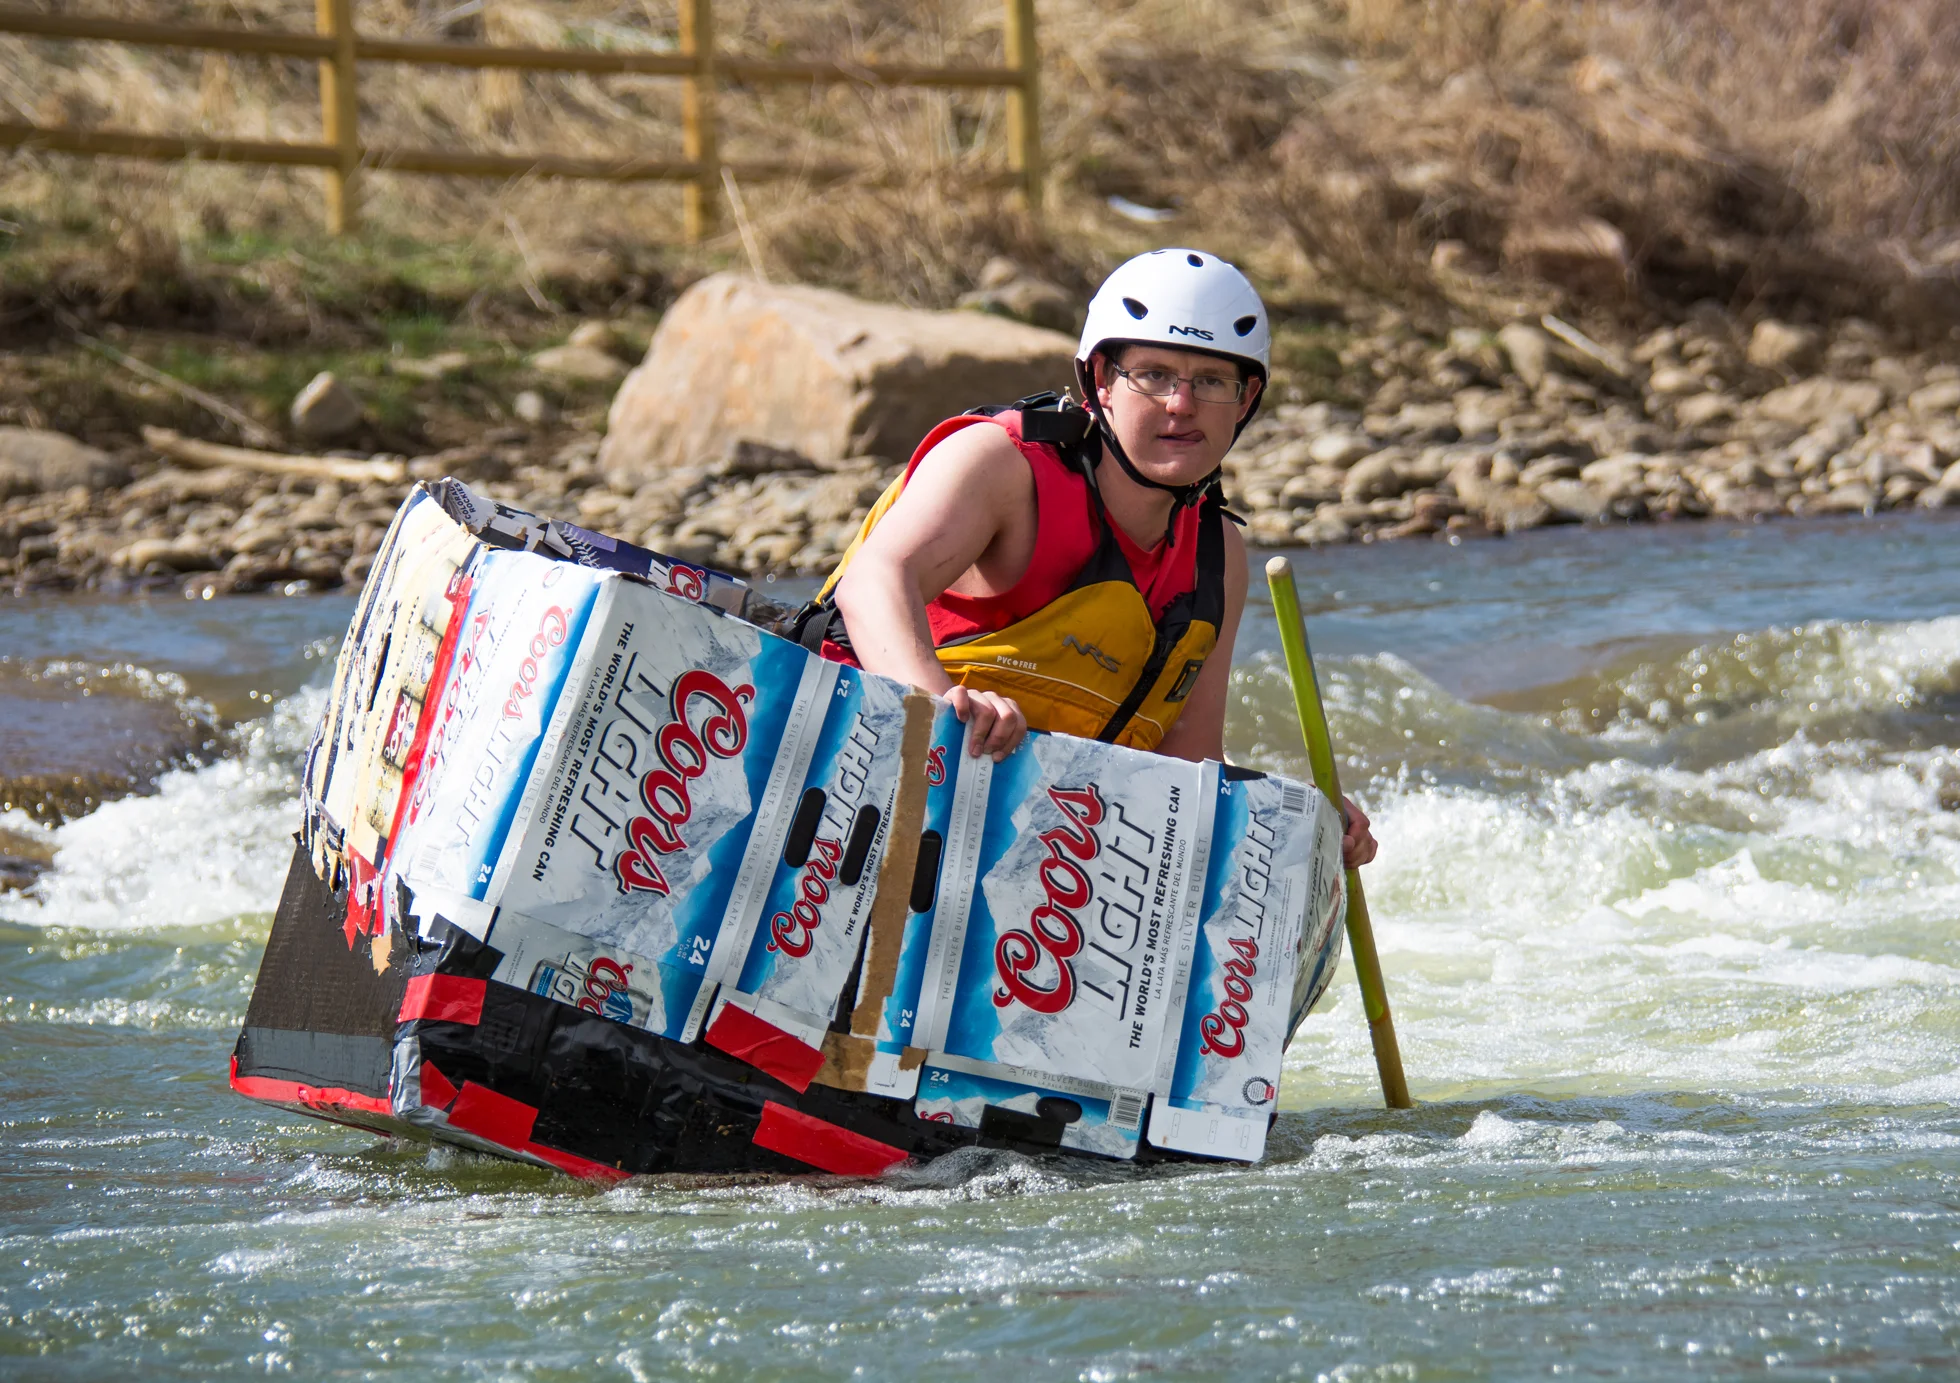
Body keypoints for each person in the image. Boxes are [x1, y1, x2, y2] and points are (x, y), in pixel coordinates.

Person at [792, 248, 1377, 868]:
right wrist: (940, 706)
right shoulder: (1001, 464)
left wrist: (1298, 821)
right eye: (1152, 375)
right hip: (844, 773)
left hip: (1004, 842)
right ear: (1100, 382)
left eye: (1210, 381)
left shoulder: (1218, 555)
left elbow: (1186, 761)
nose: (1181, 404)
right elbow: (874, 580)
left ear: (1245, 398)